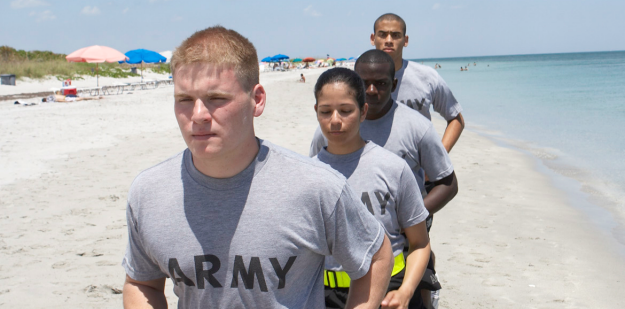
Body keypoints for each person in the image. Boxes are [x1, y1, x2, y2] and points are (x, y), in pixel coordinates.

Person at [122, 26, 394, 309]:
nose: (198, 115)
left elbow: (376, 256)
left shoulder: (316, 187)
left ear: (257, 100)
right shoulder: (149, 193)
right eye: (185, 100)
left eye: (217, 98)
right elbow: (142, 282)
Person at [309, 50, 458, 309]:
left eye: (346, 110)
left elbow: (420, 243)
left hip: (391, 290)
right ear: (316, 112)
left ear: (363, 111)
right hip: (326, 295)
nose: (335, 121)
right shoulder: (307, 174)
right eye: (326, 111)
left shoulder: (394, 168)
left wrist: (406, 291)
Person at [370, 13, 465, 154]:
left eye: (395, 35)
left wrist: (439, 157)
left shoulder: (426, 77)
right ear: (373, 39)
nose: (389, 40)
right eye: (382, 35)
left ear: (405, 40)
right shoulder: (358, 80)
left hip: (418, 172)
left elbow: (456, 118)